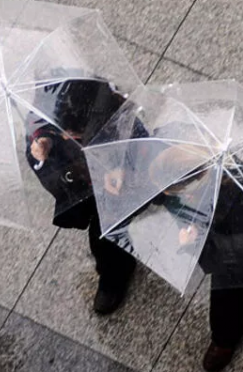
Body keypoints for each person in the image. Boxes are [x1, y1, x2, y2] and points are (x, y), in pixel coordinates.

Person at [144, 145, 243, 371]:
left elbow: (222, 257)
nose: (164, 195)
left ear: (188, 189)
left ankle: (225, 340)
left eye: (169, 190)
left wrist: (193, 245)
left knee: (227, 287)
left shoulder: (233, 203)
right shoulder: (203, 167)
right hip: (219, 224)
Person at [25, 74, 146, 315]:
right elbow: (43, 147)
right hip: (84, 192)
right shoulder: (50, 121)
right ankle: (112, 272)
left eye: (72, 134)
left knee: (105, 236)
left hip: (117, 193)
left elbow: (146, 155)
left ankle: (115, 275)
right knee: (101, 238)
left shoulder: (123, 123)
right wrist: (42, 150)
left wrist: (119, 170)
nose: (67, 137)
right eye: (63, 133)